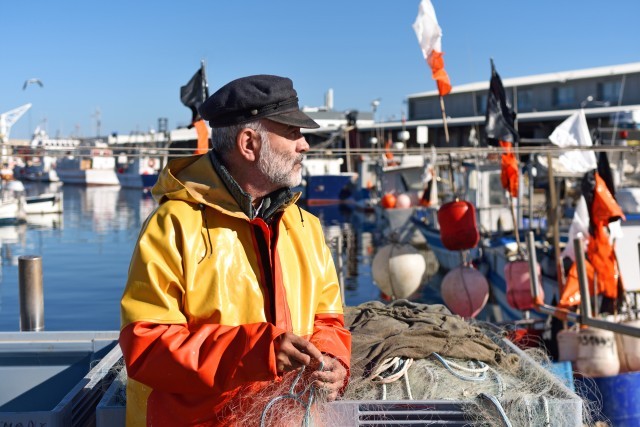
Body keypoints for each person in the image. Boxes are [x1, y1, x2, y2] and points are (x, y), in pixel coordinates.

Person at [119, 74, 351, 426]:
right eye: (292, 133)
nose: (305, 145)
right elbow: (148, 346)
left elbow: (328, 319)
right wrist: (256, 352)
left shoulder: (307, 227)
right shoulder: (173, 225)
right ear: (249, 143)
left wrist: (334, 361)